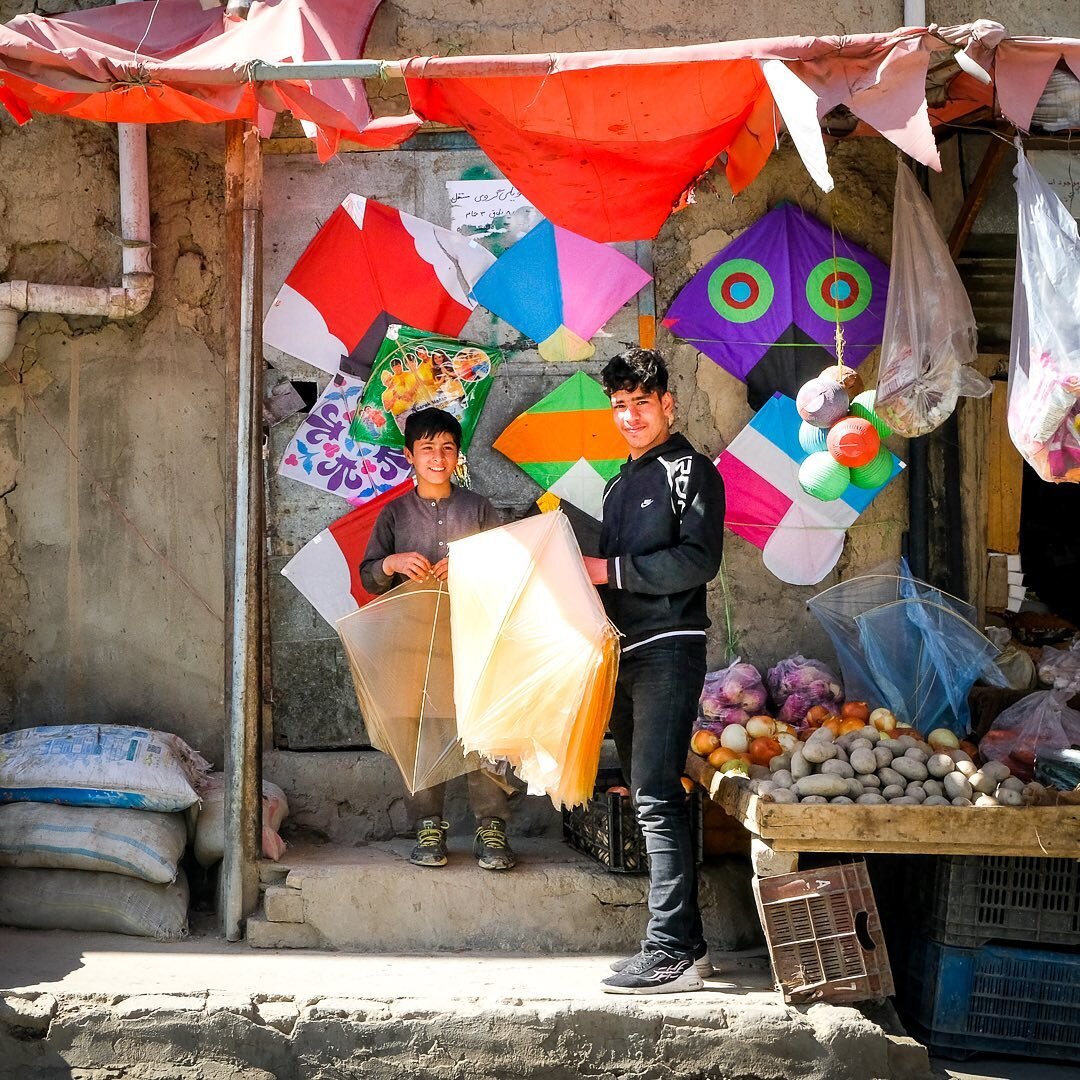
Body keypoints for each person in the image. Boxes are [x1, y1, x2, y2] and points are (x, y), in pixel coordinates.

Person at [583, 348, 725, 995]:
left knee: (656, 795)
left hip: (670, 646)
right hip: (624, 655)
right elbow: (602, 584)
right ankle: (686, 948)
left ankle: (668, 951)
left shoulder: (692, 471)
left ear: (668, 404)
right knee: (648, 796)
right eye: (619, 405)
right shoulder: (615, 486)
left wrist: (606, 573)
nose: (630, 415)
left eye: (641, 402)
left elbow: (698, 561)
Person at [359, 408, 516, 871]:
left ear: (457, 454)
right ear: (409, 455)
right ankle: (428, 824)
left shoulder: (479, 508)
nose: (438, 456)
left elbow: (506, 568)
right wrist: (391, 564)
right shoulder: (393, 514)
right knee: (422, 731)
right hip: (414, 643)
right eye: (427, 448)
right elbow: (369, 575)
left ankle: (492, 826)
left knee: (485, 728)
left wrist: (471, 564)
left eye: (447, 447)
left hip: (475, 638)